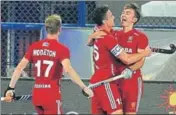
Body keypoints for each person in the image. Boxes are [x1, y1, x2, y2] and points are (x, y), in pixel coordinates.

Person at [3, 14, 94, 114]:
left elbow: (20, 67)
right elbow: (68, 70)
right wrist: (83, 87)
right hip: (51, 96)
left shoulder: (34, 46)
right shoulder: (62, 49)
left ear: (46, 29)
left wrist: (10, 88)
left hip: (37, 96)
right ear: (60, 29)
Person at [87, 3, 149, 114]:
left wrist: (130, 69)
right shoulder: (113, 34)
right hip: (115, 80)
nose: (123, 15)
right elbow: (127, 58)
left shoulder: (141, 37)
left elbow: (140, 62)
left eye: (128, 13)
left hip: (132, 82)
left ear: (134, 19)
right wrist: (91, 37)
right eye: (123, 13)